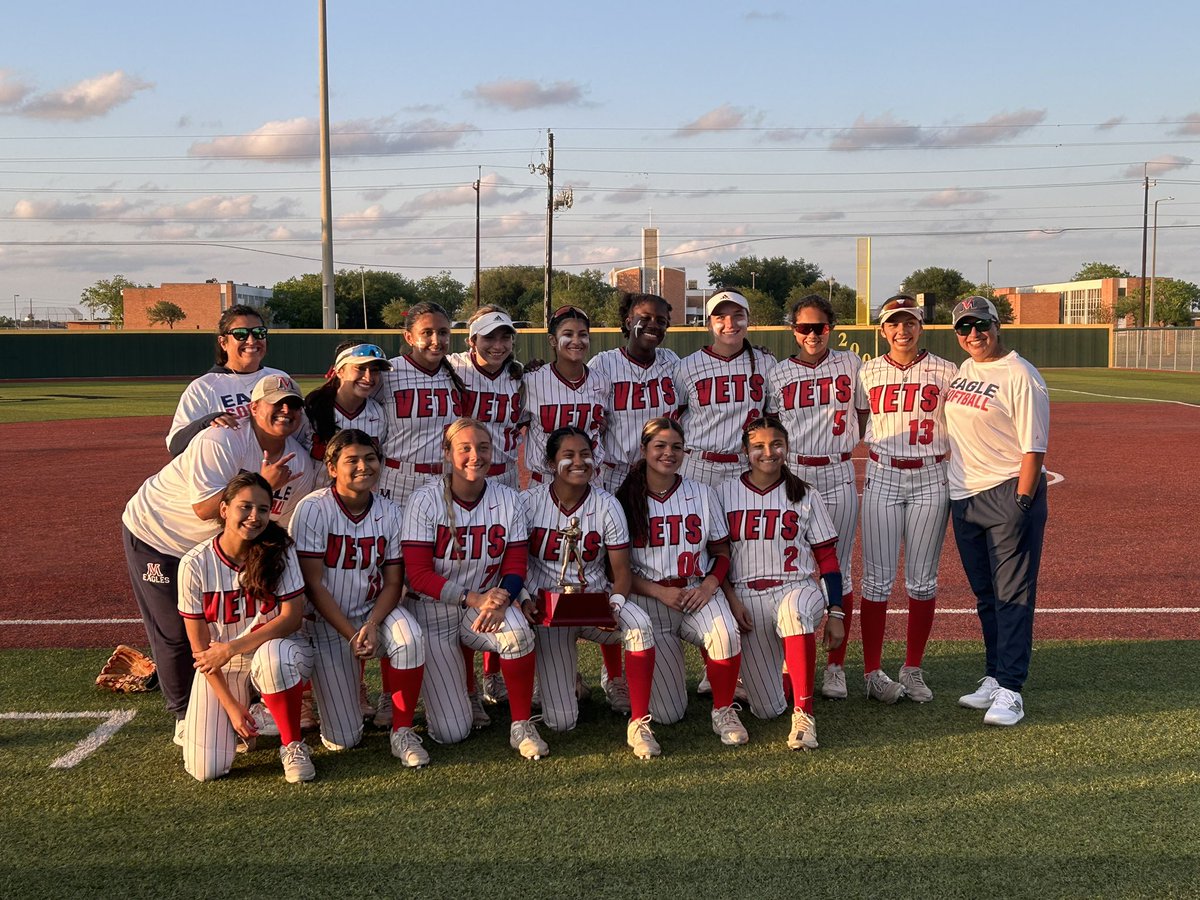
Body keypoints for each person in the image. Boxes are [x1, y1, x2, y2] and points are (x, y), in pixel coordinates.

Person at [122, 374, 317, 744]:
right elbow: (203, 509)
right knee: (177, 632)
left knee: (244, 621)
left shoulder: (301, 464)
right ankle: (183, 715)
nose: (286, 410)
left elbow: (280, 525)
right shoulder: (222, 439)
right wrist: (263, 482)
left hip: (221, 548)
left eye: (293, 404)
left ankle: (253, 703)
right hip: (160, 535)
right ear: (254, 408)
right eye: (276, 403)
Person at [400, 417, 549, 760]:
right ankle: (462, 692)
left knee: (518, 633)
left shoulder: (508, 498)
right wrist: (475, 597)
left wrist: (502, 599)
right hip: (433, 611)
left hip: (484, 608)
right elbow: (417, 574)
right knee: (452, 733)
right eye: (464, 448)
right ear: (447, 452)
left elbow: (515, 566)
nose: (474, 456)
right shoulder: (424, 500)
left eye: (482, 447)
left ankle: (522, 724)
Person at [289, 429, 428, 767]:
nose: (364, 466)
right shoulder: (313, 508)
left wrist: (370, 623)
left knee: (409, 637)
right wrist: (350, 633)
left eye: (370, 458)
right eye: (352, 460)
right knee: (344, 740)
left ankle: (402, 729)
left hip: (373, 611)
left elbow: (395, 582)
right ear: (332, 467)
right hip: (327, 620)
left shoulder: (390, 510)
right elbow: (312, 583)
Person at [521, 426, 660, 759]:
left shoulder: (607, 504)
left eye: (585, 454)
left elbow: (622, 572)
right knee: (561, 722)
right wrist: (526, 599)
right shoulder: (527, 502)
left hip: (597, 602)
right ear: (551, 462)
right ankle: (567, 683)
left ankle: (640, 721)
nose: (579, 461)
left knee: (640, 625)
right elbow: (516, 564)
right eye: (568, 455)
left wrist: (614, 604)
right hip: (547, 610)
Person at [943, 296, 1049, 727]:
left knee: (1013, 596)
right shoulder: (966, 369)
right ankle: (993, 675)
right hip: (964, 496)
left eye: (980, 325)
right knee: (987, 596)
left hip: (1006, 492)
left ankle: (1011, 688)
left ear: (996, 325)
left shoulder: (1020, 374)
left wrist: (1022, 501)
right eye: (964, 328)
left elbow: (1034, 447)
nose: (973, 335)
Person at [615, 417, 748, 746]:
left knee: (724, 631)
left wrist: (708, 586)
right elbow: (615, 570)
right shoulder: (624, 497)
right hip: (649, 599)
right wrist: (659, 591)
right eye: (659, 446)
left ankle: (723, 708)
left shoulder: (701, 493)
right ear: (644, 450)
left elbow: (721, 551)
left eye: (676, 447)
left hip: (694, 592)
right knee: (668, 713)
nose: (668, 453)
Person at [177, 473, 316, 783]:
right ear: (224, 509)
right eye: (245, 507)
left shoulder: (279, 549)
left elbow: (292, 617)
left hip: (280, 650)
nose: (255, 517)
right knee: (206, 769)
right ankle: (247, 714)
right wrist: (230, 707)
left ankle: (292, 743)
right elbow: (201, 650)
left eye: (263, 509)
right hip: (222, 666)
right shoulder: (194, 563)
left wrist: (230, 648)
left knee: (273, 657)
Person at [717, 416, 845, 750]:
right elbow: (716, 559)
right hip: (747, 597)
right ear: (745, 451)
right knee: (767, 709)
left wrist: (836, 613)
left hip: (797, 586)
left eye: (776, 444)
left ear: (787, 448)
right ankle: (789, 678)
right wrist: (731, 600)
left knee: (794, 613)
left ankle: (805, 714)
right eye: (758, 446)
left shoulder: (803, 493)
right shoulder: (724, 493)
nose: (768, 452)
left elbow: (828, 559)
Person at [856, 295, 958, 703]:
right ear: (882, 330)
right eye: (894, 324)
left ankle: (912, 667)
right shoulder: (868, 372)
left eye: (910, 322)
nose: (903, 330)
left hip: (931, 474)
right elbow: (859, 418)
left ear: (921, 326)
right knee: (877, 581)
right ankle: (872, 671)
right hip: (882, 472)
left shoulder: (947, 371)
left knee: (922, 580)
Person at [764, 294, 862, 701]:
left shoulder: (852, 364)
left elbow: (869, 413)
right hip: (796, 473)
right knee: (795, 567)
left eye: (819, 327)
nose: (812, 334)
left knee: (841, 568)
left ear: (831, 327)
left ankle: (836, 666)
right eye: (804, 327)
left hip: (838, 469)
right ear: (793, 331)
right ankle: (791, 659)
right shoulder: (778, 374)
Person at [677, 290, 776, 488]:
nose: (730, 324)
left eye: (738, 316)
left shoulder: (766, 362)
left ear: (748, 320)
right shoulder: (686, 366)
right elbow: (675, 417)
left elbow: (773, 418)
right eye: (720, 317)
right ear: (708, 324)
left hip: (745, 466)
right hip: (698, 465)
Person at [166, 305, 290, 456]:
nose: (251, 341)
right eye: (240, 334)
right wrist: (206, 422)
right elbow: (176, 446)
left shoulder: (279, 378)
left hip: (277, 470)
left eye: (259, 332)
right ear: (223, 342)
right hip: (230, 476)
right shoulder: (204, 387)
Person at [374, 302, 466, 503]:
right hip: (399, 477)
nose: (436, 340)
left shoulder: (459, 371)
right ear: (409, 337)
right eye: (426, 333)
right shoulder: (388, 373)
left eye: (443, 332)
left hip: (447, 477)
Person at [590, 292, 680, 495]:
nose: (654, 324)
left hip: (662, 473)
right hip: (617, 476)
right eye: (645, 318)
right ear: (629, 322)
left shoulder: (672, 361)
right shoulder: (603, 363)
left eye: (661, 321)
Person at [520, 305, 608, 484]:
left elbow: (604, 425)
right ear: (553, 340)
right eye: (568, 334)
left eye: (583, 334)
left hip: (589, 480)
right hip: (545, 482)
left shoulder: (602, 381)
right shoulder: (531, 381)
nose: (576, 341)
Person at [449, 306, 525, 491]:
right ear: (472, 341)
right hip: (464, 474)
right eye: (489, 337)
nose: (498, 346)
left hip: (507, 475)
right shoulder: (453, 367)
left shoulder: (520, 375)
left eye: (505, 337)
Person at [304, 342, 392, 474]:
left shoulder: (379, 415)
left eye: (374, 370)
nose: (368, 377)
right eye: (360, 368)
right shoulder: (310, 409)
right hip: (309, 492)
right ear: (339, 371)